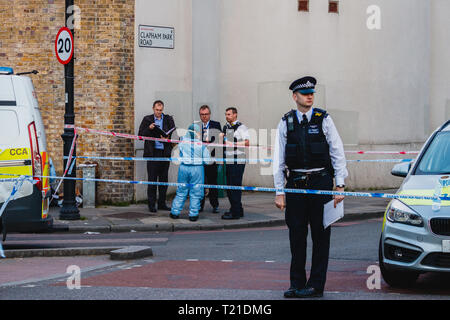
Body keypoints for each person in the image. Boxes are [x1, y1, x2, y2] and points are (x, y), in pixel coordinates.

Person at [273, 76, 348, 299]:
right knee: (296, 236)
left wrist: (340, 185)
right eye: (304, 93)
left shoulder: (323, 119)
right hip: (295, 185)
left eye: (312, 93)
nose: (309, 96)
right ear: (294, 96)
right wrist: (279, 191)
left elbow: (337, 151)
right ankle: (296, 284)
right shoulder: (286, 122)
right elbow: (278, 158)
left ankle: (316, 285)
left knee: (321, 236)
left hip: (321, 183)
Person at [138, 100, 176, 213]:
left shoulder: (168, 119)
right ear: (153, 109)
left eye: (160, 110)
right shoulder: (147, 119)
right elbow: (140, 135)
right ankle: (151, 204)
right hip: (152, 153)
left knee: (164, 180)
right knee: (152, 180)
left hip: (164, 153)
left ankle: (162, 203)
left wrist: (167, 138)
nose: (159, 112)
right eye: (157, 110)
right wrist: (149, 129)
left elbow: (172, 132)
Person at [170, 123, 211, 221]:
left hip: (184, 168)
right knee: (196, 192)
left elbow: (177, 155)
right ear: (197, 132)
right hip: (197, 169)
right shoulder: (201, 145)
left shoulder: (182, 142)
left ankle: (175, 212)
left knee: (181, 190)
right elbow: (207, 160)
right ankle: (193, 214)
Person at [221, 107, 250, 220]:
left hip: (238, 160)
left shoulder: (242, 127)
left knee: (235, 186)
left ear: (235, 115)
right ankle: (236, 209)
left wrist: (234, 143)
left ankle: (236, 212)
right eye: (226, 114)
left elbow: (247, 143)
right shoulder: (226, 127)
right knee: (230, 187)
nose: (227, 116)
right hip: (228, 160)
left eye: (229, 114)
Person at [198, 105, 222, 214]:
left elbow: (220, 142)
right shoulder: (196, 126)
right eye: (202, 115)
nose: (204, 117)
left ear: (209, 114)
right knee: (200, 183)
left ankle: (215, 205)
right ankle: (200, 205)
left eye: (206, 114)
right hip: (200, 160)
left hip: (212, 159)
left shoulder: (216, 125)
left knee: (213, 183)